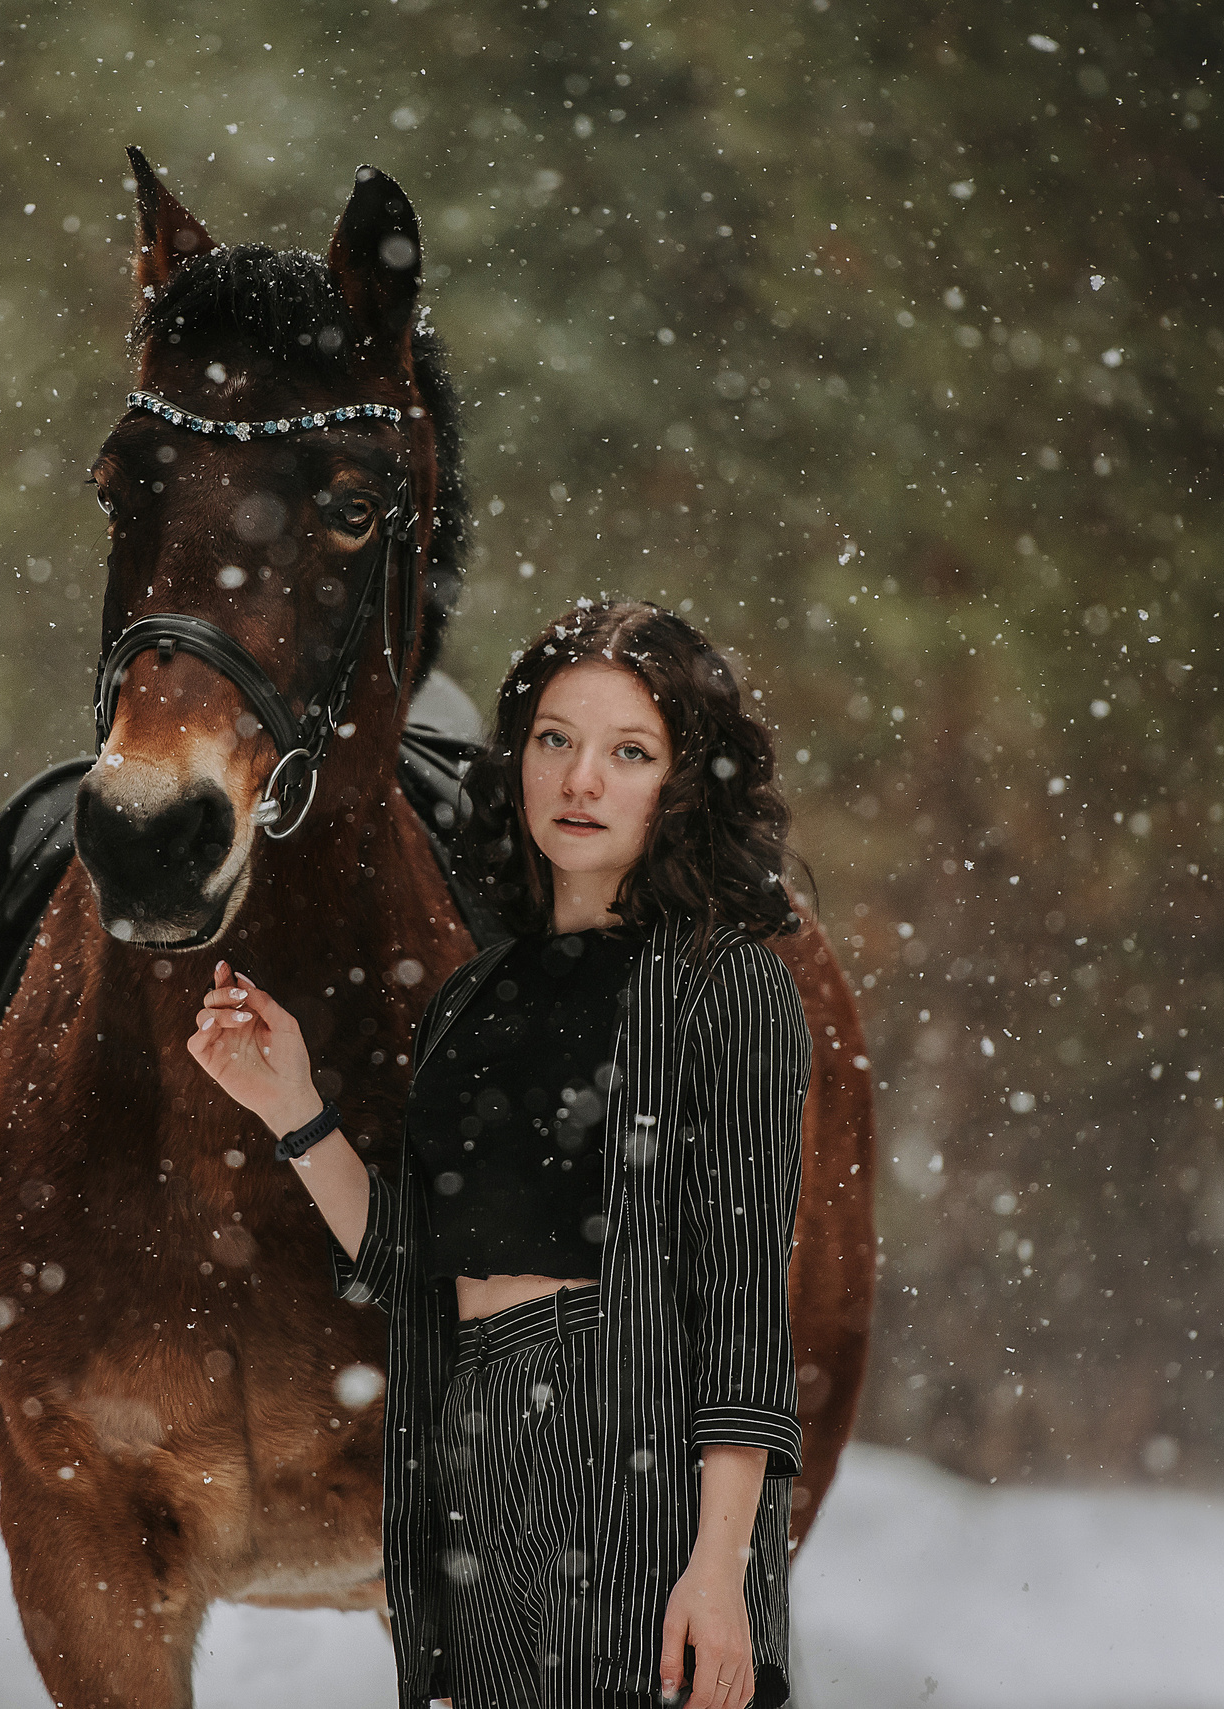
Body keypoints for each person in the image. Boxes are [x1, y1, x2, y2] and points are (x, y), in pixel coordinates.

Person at [187, 598, 811, 1709]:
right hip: (471, 1431)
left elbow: (744, 1302)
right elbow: (408, 1256)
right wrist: (289, 1103)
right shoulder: (472, 998)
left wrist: (721, 1565)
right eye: (556, 740)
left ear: (680, 782)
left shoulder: (728, 988)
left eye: (629, 752)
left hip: (630, 1437)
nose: (581, 780)